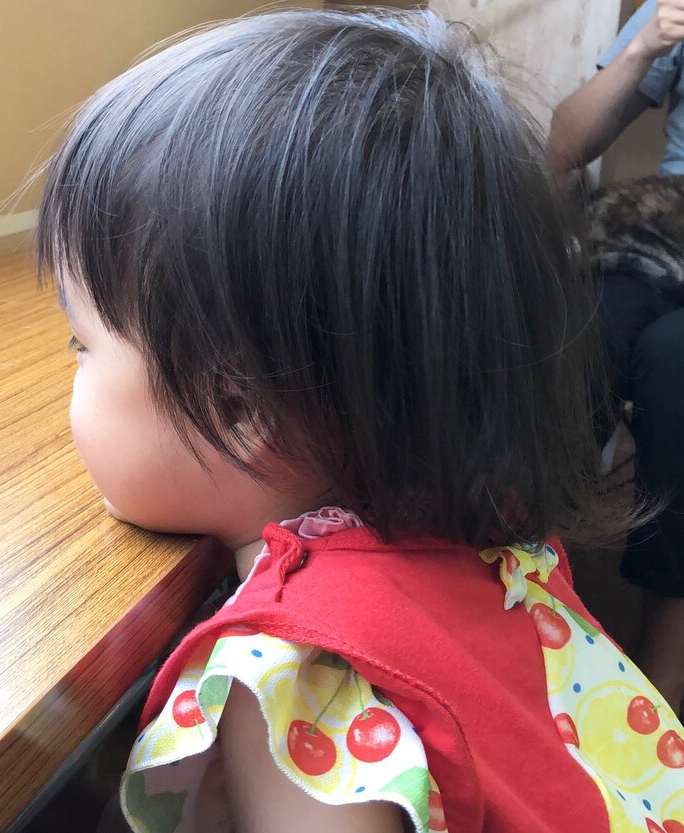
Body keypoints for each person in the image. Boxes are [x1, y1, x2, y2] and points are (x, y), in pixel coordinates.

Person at [38, 9, 684, 833]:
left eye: (82, 343)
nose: (76, 363)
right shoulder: (499, 535)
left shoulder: (304, 676)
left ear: (237, 408)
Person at [550, 0, 684, 717]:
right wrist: (644, 48)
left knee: (675, 364)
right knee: (584, 330)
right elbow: (564, 145)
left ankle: (662, 674)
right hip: (660, 232)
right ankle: (517, 579)